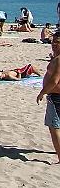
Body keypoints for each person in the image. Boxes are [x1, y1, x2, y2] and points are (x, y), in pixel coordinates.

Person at [36, 32, 60, 163]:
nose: (54, 44)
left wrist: (42, 92)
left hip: (56, 96)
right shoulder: (56, 57)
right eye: (53, 42)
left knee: (54, 127)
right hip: (55, 95)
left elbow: (54, 80)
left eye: (57, 42)